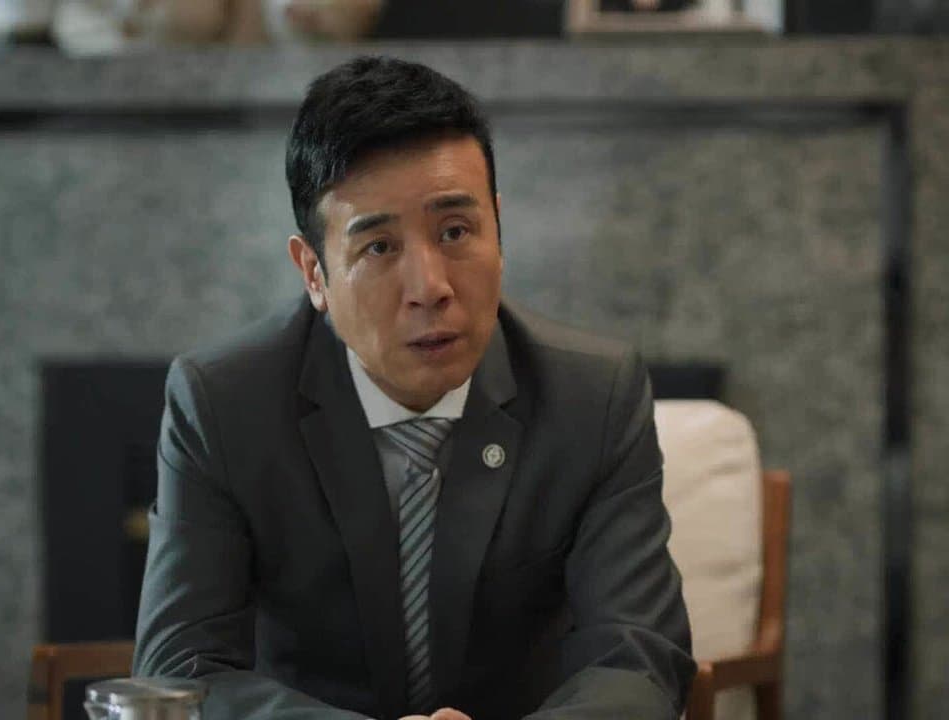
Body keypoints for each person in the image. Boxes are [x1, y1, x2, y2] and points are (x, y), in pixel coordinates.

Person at [132, 55, 695, 720]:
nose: (430, 287)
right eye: (378, 248)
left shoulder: (593, 397)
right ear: (313, 272)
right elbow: (180, 670)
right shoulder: (223, 403)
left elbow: (636, 659)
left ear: (498, 230)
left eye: (456, 231)